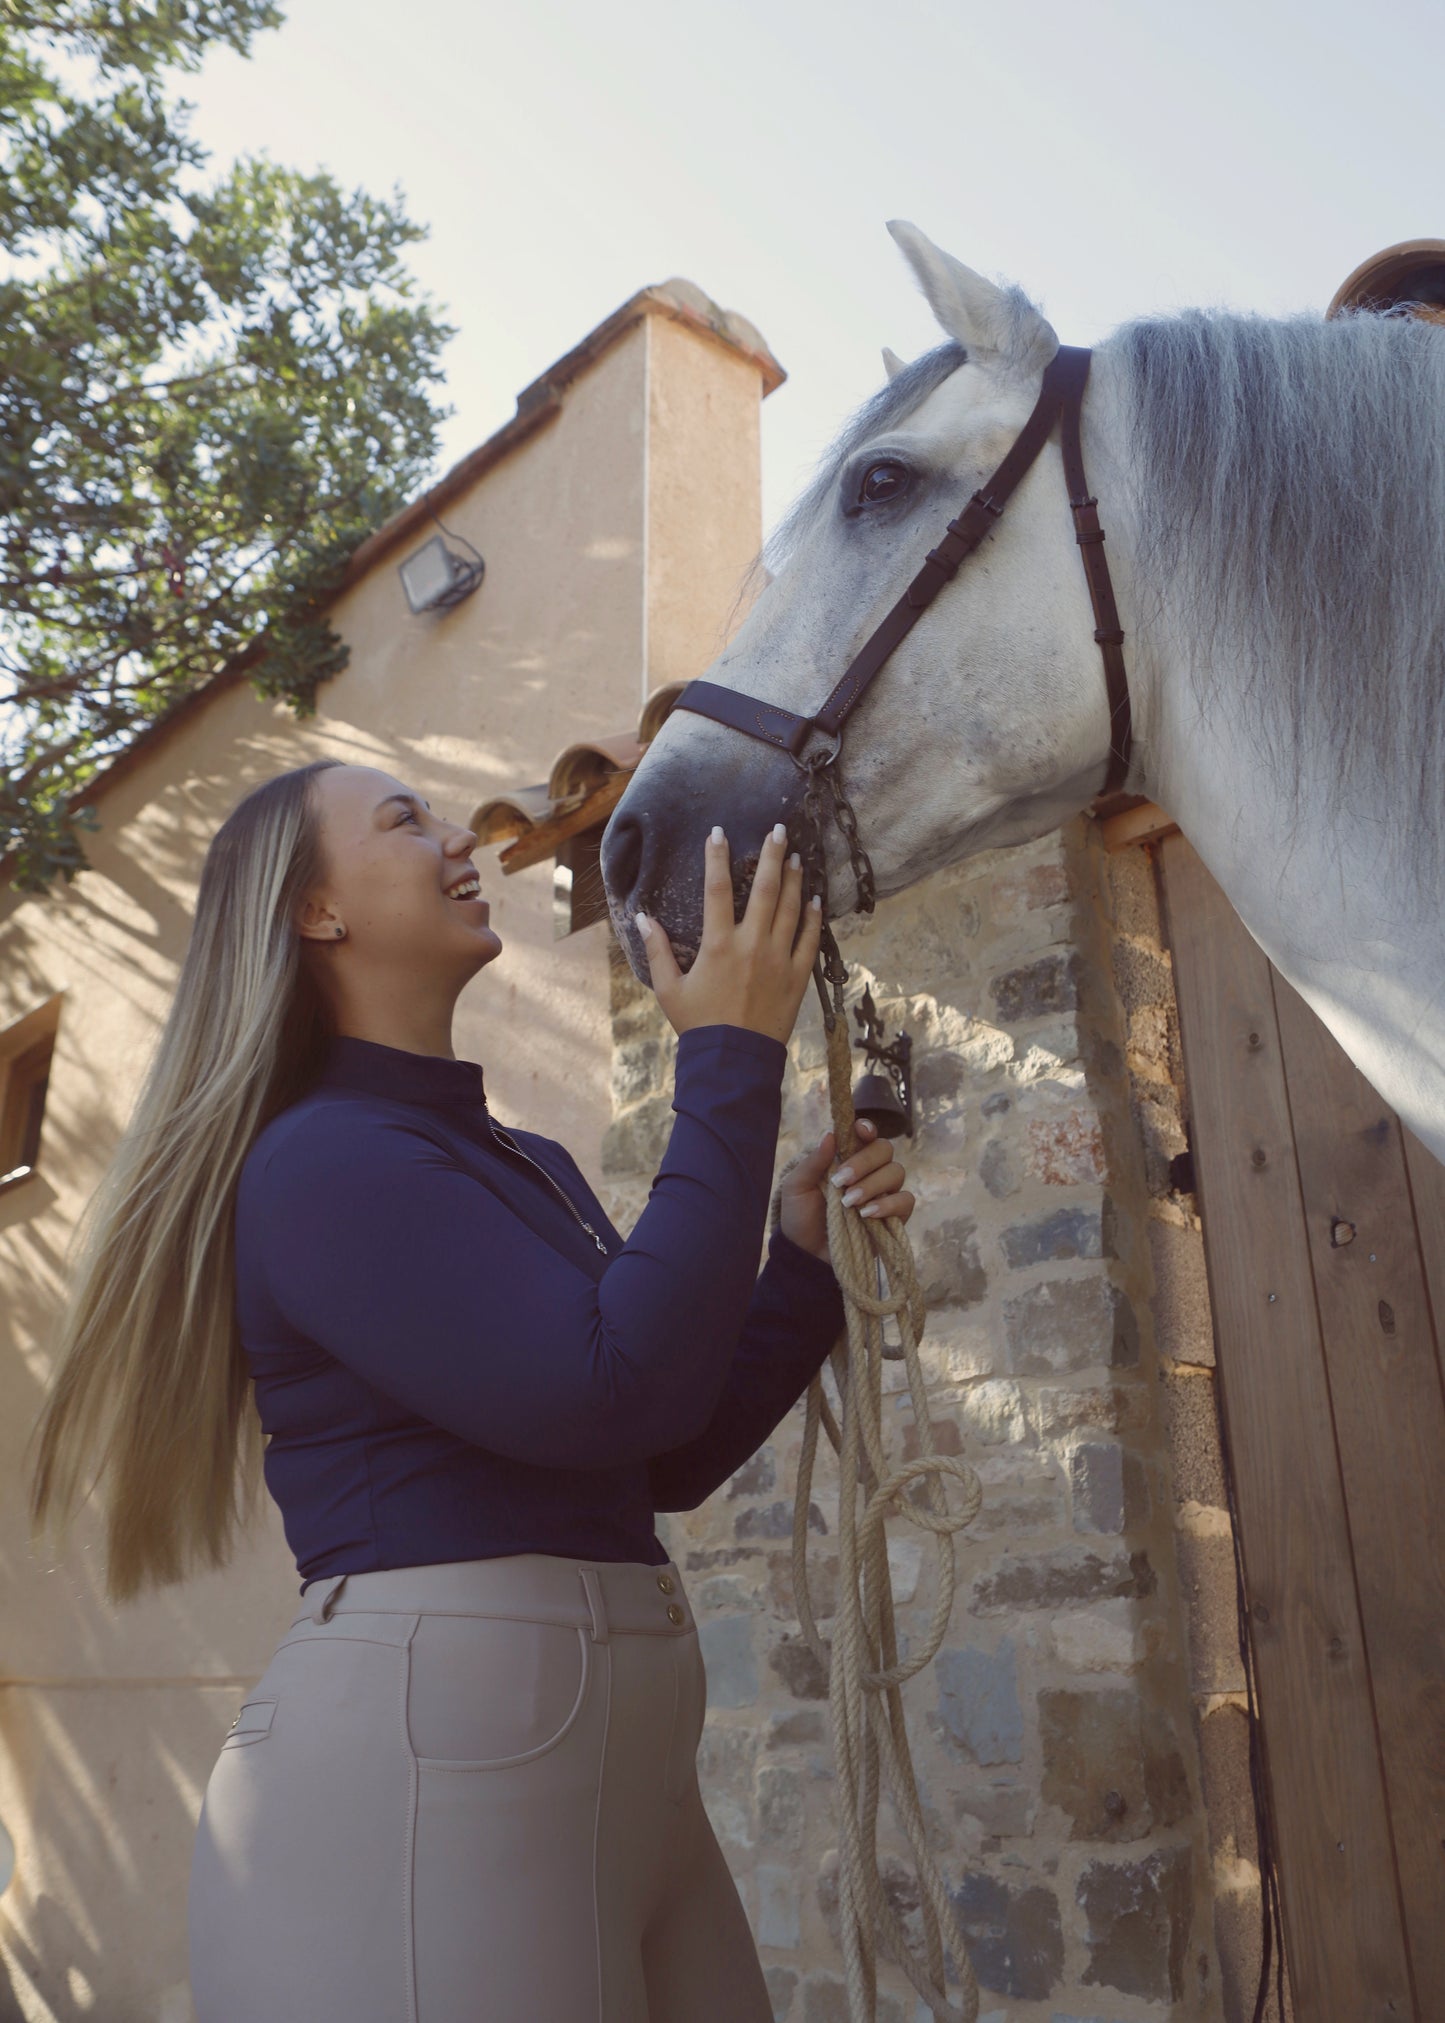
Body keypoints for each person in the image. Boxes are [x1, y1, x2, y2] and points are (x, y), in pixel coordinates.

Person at [25, 757, 915, 2022]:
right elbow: (612, 1393)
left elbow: (656, 1450)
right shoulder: (322, 1161)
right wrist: (726, 1056)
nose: (462, 838)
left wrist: (801, 1264)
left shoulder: (518, 1159)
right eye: (406, 820)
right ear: (313, 911)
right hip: (430, 1768)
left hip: (610, 1762)